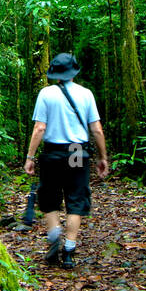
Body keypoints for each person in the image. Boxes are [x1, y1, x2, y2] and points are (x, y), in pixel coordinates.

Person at [24, 52, 109, 268]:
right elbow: (97, 130)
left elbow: (40, 127)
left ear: (55, 73)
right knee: (75, 199)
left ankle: (54, 238)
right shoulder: (86, 94)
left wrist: (30, 157)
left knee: (50, 197)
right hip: (76, 152)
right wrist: (102, 157)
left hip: (53, 152)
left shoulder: (46, 94)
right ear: (73, 73)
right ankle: (69, 251)